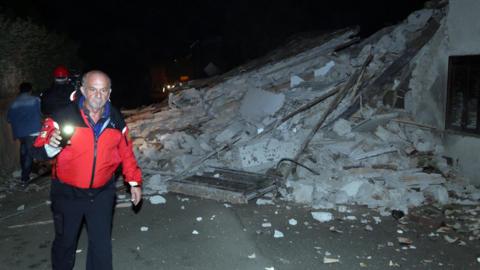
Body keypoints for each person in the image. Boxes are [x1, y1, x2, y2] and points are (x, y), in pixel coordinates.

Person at [33, 70, 142, 270]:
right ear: (83, 90)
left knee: (101, 246)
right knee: (65, 242)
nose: (98, 95)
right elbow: (38, 151)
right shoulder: (63, 116)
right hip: (67, 193)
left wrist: (134, 182)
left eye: (103, 90)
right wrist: (52, 145)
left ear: (109, 93)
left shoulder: (116, 119)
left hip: (102, 192)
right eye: (93, 89)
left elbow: (126, 153)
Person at [7, 82, 42, 187]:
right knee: (28, 154)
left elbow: (8, 119)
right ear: (30, 90)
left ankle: (26, 173)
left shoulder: (13, 103)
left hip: (20, 132)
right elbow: (40, 113)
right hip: (32, 131)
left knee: (23, 152)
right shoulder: (36, 100)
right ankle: (25, 178)